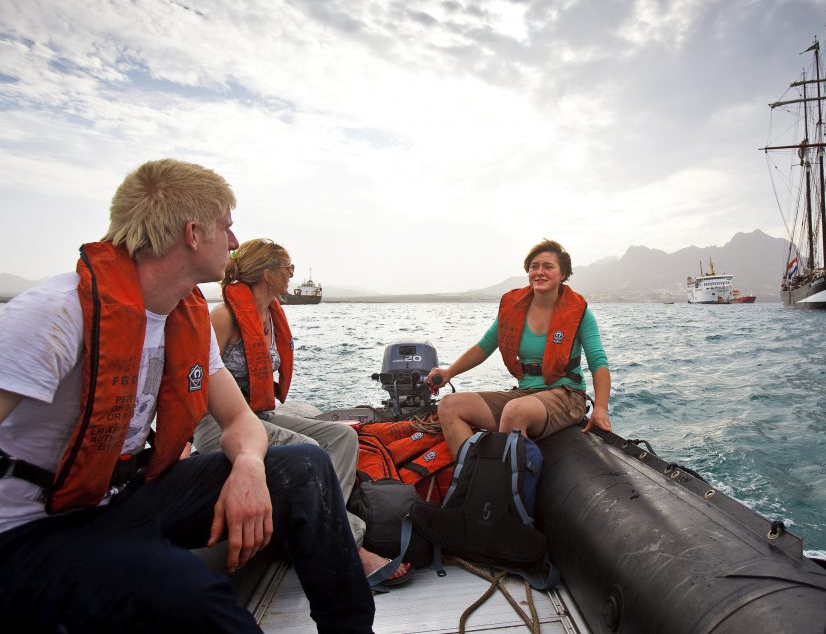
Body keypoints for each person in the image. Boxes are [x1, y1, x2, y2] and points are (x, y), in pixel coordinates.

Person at [0, 159, 374, 633]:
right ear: (194, 234)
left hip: (126, 499)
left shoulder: (181, 316)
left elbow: (240, 422)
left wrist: (249, 469)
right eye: (228, 226)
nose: (235, 242)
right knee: (194, 596)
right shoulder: (54, 314)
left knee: (307, 464)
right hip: (36, 530)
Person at [192, 237, 410, 584]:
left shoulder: (268, 316)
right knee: (309, 452)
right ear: (267, 273)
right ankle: (347, 546)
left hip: (258, 417)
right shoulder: (224, 317)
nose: (293, 273)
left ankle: (318, 531)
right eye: (288, 267)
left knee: (342, 438)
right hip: (220, 425)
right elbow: (195, 385)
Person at [428, 238, 612, 457]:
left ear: (563, 274)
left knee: (514, 412)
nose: (539, 272)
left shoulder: (579, 312)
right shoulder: (514, 309)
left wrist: (600, 407)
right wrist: (449, 372)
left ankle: (504, 486)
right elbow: (484, 347)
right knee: (449, 405)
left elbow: (598, 361)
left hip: (566, 395)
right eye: (534, 266)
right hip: (527, 393)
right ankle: (473, 476)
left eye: (548, 266)